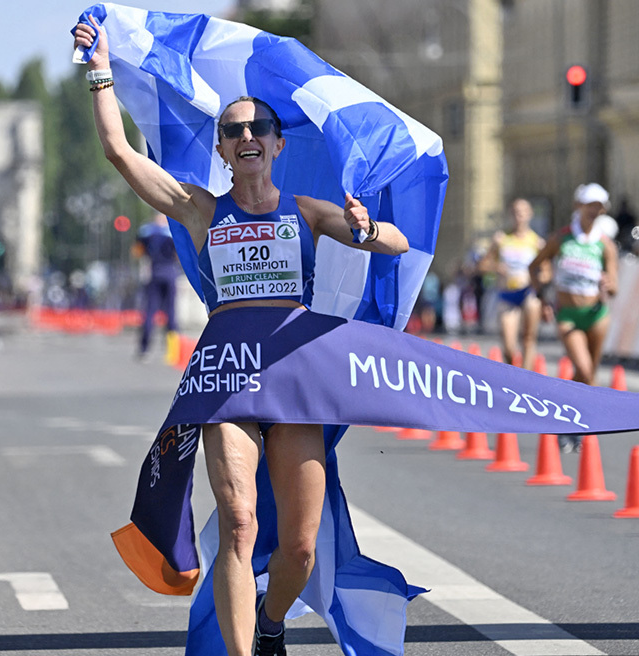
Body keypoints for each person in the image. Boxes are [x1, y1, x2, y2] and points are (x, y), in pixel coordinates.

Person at [73, 19, 409, 656]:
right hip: (227, 375)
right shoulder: (203, 210)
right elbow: (120, 150)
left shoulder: (306, 212)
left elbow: (395, 242)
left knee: (300, 547)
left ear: (278, 145)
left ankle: (272, 621)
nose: (247, 136)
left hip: (296, 375)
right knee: (239, 522)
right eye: (234, 131)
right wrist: (100, 70)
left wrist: (366, 229)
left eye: (259, 129)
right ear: (223, 150)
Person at [529, 183, 617, 451]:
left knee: (589, 374)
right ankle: (573, 422)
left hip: (596, 314)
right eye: (591, 205)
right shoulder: (561, 238)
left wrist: (607, 283)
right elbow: (535, 266)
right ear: (579, 206)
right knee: (585, 370)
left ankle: (569, 422)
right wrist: (542, 296)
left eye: (599, 207)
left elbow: (615, 286)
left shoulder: (605, 244)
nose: (595, 211)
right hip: (568, 315)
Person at [480, 198, 545, 368]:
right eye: (516, 212)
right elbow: (483, 265)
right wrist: (497, 266)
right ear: (511, 215)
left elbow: (547, 272)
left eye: (523, 212)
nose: (519, 216)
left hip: (528, 292)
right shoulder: (501, 239)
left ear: (530, 215)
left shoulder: (537, 242)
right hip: (507, 294)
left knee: (528, 338)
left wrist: (537, 279)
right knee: (509, 346)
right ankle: (513, 370)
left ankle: (527, 379)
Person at [132, 213, 180, 360]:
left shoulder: (146, 231)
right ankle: (173, 352)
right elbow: (179, 254)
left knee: (149, 311)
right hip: (170, 272)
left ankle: (144, 349)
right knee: (171, 313)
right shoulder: (172, 232)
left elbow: (137, 252)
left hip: (154, 272)